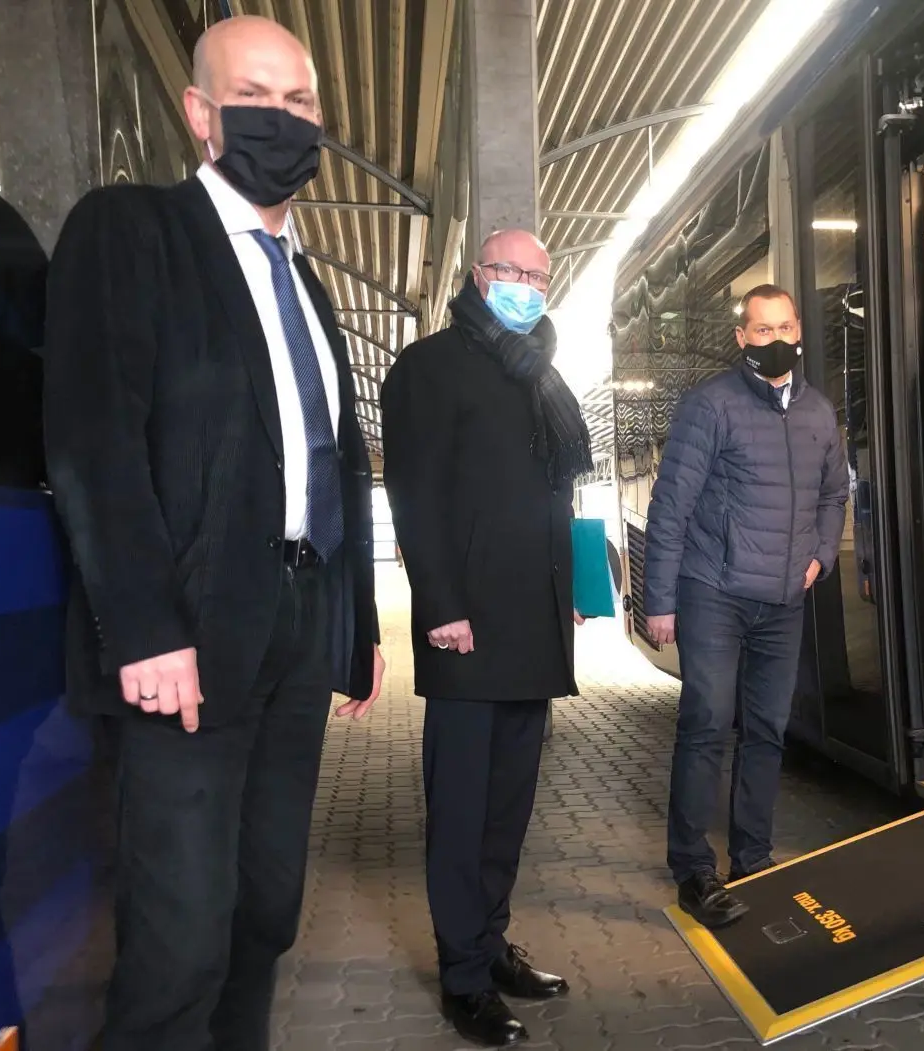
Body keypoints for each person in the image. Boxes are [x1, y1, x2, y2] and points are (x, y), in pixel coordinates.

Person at [40, 15, 385, 1051]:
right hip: (187, 640)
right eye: (254, 97)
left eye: (300, 102)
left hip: (297, 626)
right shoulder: (131, 229)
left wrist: (355, 623)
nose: (281, 120)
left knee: (266, 911)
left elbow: (337, 461)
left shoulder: (309, 285)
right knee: (179, 935)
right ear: (200, 115)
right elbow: (93, 439)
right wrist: (144, 629)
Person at [380, 229, 591, 1046]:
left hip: (532, 622)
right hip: (465, 625)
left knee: (507, 807)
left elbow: (557, 496)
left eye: (538, 275)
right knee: (462, 809)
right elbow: (413, 493)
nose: (525, 286)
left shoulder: (540, 372)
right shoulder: (430, 366)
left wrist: (571, 588)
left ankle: (491, 940)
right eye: (510, 271)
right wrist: (438, 603)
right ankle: (462, 976)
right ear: (478, 274)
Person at [644, 283, 849, 929]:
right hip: (715, 591)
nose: (775, 339)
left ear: (799, 331)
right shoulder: (710, 406)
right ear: (742, 339)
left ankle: (754, 857)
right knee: (707, 721)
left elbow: (834, 492)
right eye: (761, 330)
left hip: (784, 599)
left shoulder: (818, 411)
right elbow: (669, 504)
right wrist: (660, 600)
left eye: (784, 326)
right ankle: (692, 868)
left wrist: (822, 553)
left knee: (766, 730)